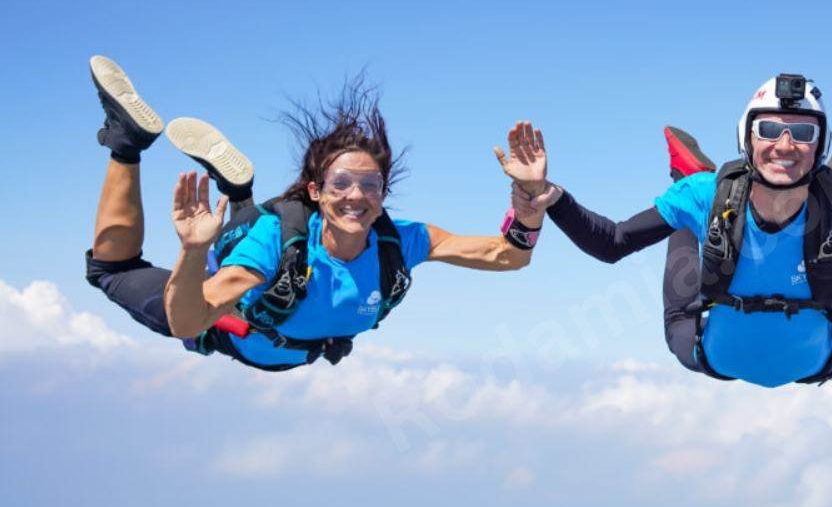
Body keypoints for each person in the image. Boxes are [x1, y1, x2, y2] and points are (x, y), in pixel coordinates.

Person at [504, 74, 832, 388]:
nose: (785, 144)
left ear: (819, 143)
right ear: (747, 136)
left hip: (821, 354)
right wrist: (553, 198)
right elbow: (611, 244)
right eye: (769, 130)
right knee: (698, 209)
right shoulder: (708, 197)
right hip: (712, 348)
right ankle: (685, 176)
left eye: (802, 132)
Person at [85, 55, 546, 371]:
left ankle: (239, 191)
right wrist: (191, 250)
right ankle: (127, 142)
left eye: (370, 185)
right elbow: (187, 322)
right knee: (112, 270)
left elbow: (508, 256)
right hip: (240, 322)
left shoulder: (401, 241)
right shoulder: (276, 246)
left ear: (383, 195)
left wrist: (529, 202)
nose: (356, 196)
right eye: (340, 183)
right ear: (316, 192)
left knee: (256, 234)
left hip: (280, 332)